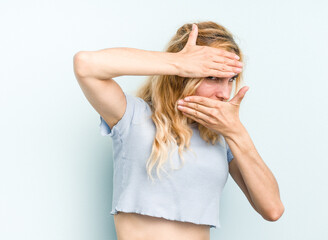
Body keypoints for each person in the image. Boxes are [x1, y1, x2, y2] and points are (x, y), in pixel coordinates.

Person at [73, 21, 284, 240]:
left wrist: (236, 133)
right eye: (212, 77)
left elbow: (273, 209)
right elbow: (85, 64)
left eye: (230, 80)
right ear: (182, 75)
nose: (224, 93)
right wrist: (178, 62)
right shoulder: (134, 116)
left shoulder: (221, 138)